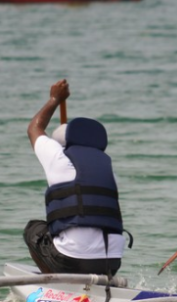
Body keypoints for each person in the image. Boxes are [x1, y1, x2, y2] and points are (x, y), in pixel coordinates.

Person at [24, 79, 126, 276]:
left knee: (33, 229)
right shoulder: (108, 168)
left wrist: (55, 99)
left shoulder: (59, 158)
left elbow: (34, 129)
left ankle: (55, 283)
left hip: (71, 260)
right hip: (112, 261)